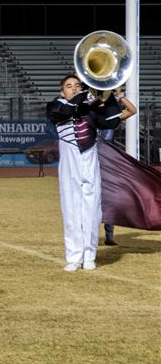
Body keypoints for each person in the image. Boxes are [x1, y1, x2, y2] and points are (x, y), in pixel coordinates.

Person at [46, 74, 122, 271]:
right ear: (62, 91)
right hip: (69, 161)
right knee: (71, 207)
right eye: (69, 86)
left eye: (77, 85)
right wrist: (86, 94)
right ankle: (74, 257)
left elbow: (112, 121)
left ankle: (89, 255)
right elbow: (64, 112)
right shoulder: (55, 106)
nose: (74, 88)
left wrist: (111, 93)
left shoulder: (90, 109)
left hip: (89, 158)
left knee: (92, 207)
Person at [98, 88, 137, 245]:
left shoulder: (111, 118)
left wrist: (120, 96)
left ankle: (109, 236)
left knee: (110, 199)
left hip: (107, 161)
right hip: (91, 161)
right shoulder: (89, 116)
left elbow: (132, 110)